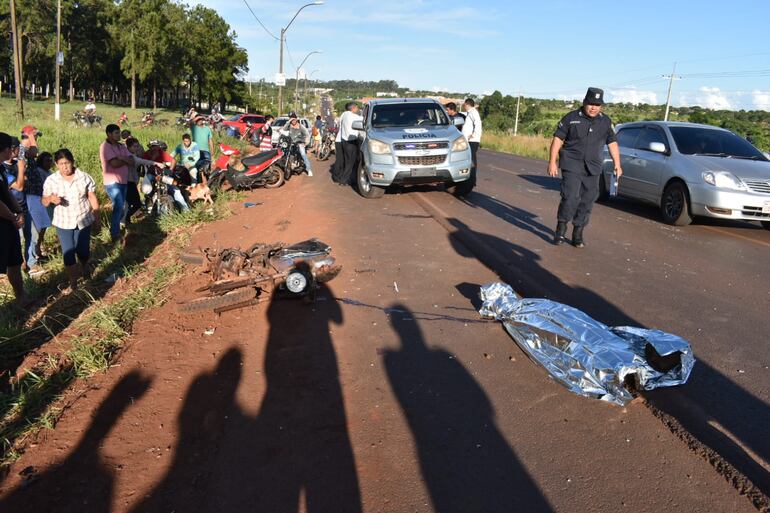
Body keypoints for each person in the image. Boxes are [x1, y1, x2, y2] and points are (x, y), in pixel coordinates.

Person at [548, 87, 622, 248]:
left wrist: (617, 163)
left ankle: (578, 232)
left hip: (593, 167)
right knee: (570, 197)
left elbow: (612, 143)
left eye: (597, 105)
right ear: (584, 102)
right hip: (572, 164)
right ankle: (561, 229)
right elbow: (558, 139)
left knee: (588, 200)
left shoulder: (605, 121)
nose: (594, 108)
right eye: (591, 104)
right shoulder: (571, 118)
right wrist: (552, 161)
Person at [42, 148, 100, 293]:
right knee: (68, 253)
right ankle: (73, 283)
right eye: (61, 164)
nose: (65, 167)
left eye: (67, 163)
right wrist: (51, 199)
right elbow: (44, 201)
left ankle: (85, 267)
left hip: (83, 219)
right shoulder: (51, 180)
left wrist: (97, 217)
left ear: (72, 162)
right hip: (63, 222)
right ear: (56, 164)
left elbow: (91, 197)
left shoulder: (84, 177)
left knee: (83, 251)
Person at [0, 132, 31, 307]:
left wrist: (19, 212)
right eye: (11, 148)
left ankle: (21, 299)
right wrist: (13, 217)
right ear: (6, 149)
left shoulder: (2, 169)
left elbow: (7, 193)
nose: (13, 152)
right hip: (4, 221)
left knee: (14, 262)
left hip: (9, 222)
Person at [99, 124, 133, 242]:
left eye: (119, 132)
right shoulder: (105, 146)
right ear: (109, 134)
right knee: (119, 206)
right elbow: (114, 164)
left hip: (123, 180)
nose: (119, 135)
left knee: (121, 207)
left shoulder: (122, 146)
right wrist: (124, 159)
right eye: (116, 133)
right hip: (112, 181)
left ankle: (115, 228)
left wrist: (121, 158)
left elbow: (131, 160)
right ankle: (115, 233)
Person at [22, 145, 51, 276]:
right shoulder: (25, 161)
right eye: (47, 160)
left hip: (38, 197)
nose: (49, 163)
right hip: (31, 197)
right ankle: (30, 262)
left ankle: (36, 253)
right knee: (33, 231)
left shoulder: (34, 163)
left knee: (41, 227)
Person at [124, 137, 162, 224]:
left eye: (137, 146)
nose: (137, 148)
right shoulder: (130, 156)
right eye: (134, 146)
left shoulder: (133, 155)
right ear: (129, 147)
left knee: (130, 203)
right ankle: (125, 218)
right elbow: (142, 161)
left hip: (131, 182)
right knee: (136, 204)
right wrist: (156, 163)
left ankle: (126, 220)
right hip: (128, 182)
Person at [143, 140, 189, 211]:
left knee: (176, 190)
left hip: (162, 175)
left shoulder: (161, 152)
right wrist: (153, 157)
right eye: (152, 147)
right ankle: (149, 200)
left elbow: (173, 160)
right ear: (150, 147)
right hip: (151, 175)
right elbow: (145, 164)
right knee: (148, 187)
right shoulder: (146, 154)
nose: (154, 148)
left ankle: (186, 209)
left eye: (156, 146)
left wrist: (170, 170)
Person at [334, 102, 363, 186]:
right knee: (350, 162)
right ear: (353, 108)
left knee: (344, 161)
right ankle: (344, 180)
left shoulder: (344, 114)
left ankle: (341, 178)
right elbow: (363, 120)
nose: (357, 109)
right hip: (351, 141)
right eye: (356, 107)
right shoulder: (353, 116)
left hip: (343, 141)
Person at [462, 98, 482, 189]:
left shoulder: (473, 112)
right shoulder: (470, 113)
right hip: (469, 140)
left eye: (464, 105)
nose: (464, 107)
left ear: (467, 104)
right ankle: (470, 179)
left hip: (473, 140)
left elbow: (478, 124)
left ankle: (472, 180)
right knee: (470, 159)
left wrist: (473, 135)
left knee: (472, 160)